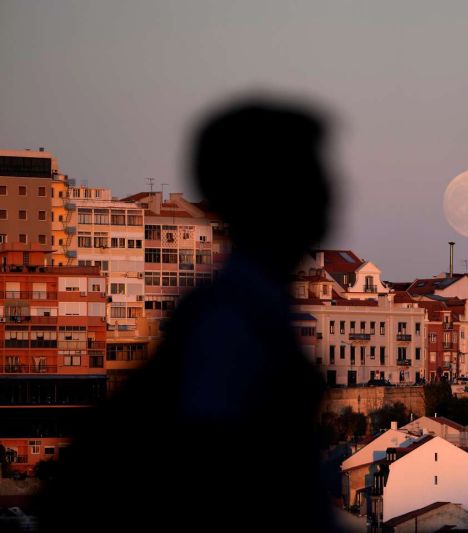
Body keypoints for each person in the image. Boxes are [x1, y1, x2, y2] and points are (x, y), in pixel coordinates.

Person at [36, 100, 337, 532]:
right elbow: (213, 465)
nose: (329, 191)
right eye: (311, 174)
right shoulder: (234, 318)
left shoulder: (239, 306)